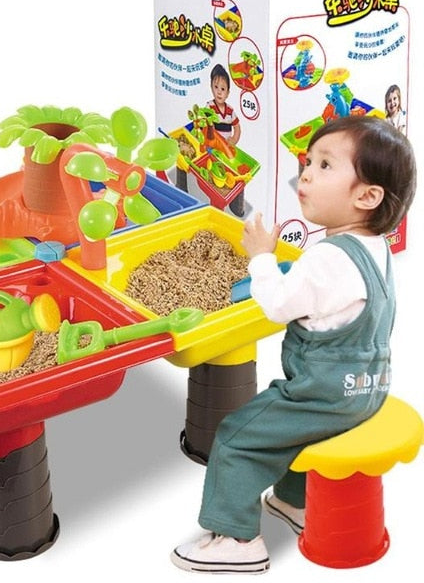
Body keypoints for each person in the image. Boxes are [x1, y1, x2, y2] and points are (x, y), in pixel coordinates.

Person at [171, 115, 416, 574]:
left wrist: (261, 258)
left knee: (239, 436)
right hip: (366, 389)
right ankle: (293, 501)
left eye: (325, 166)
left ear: (367, 196)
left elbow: (277, 306)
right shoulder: (375, 249)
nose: (305, 174)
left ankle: (238, 540)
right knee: (289, 428)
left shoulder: (326, 258)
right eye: (308, 162)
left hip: (321, 395)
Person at [207, 64, 244, 216]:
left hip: (226, 147)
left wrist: (234, 140)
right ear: (211, 87)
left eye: (222, 89)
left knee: (231, 170)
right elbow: (207, 126)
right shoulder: (209, 107)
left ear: (228, 92)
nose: (219, 92)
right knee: (215, 172)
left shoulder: (230, 111)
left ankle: (234, 203)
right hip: (213, 146)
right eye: (216, 87)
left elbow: (237, 127)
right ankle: (216, 201)